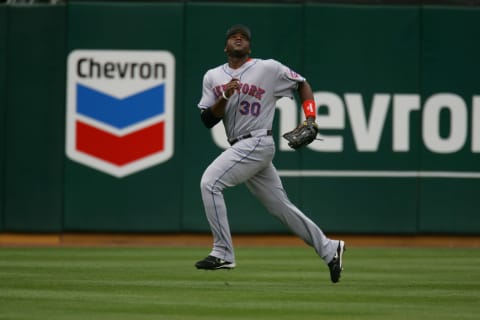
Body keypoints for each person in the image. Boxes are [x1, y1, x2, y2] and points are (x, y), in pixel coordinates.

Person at [194, 24, 346, 283]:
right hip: (240, 146)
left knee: (209, 183)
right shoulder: (212, 77)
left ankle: (222, 252)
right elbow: (208, 119)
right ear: (226, 46)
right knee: (281, 207)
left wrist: (310, 118)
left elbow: (302, 84)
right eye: (233, 36)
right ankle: (330, 248)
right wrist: (225, 97)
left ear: (249, 47)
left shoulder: (268, 68)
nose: (238, 37)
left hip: (257, 141)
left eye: (244, 36)